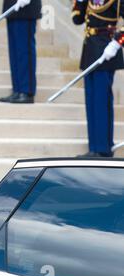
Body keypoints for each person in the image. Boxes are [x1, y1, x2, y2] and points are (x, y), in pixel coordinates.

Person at [72, 0, 124, 158]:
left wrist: (117, 43)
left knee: (101, 100)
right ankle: (94, 146)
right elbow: (77, 19)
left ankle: (103, 147)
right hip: (90, 50)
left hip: (106, 50)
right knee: (92, 101)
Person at [0, 0, 42, 104]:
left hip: (26, 7)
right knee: (15, 53)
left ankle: (26, 91)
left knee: (24, 51)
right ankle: (17, 89)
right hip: (13, 6)